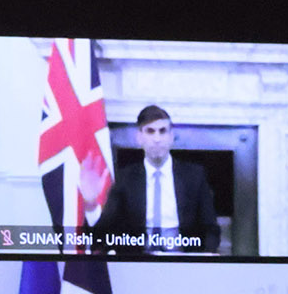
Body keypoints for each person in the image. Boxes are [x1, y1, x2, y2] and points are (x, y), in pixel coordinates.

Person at [89, 106, 218, 255]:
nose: (157, 139)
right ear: (139, 137)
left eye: (162, 131)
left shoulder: (194, 176)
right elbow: (101, 236)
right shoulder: (125, 179)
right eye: (150, 131)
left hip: (182, 261)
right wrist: (90, 204)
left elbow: (211, 230)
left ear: (171, 136)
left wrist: (205, 258)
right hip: (139, 262)